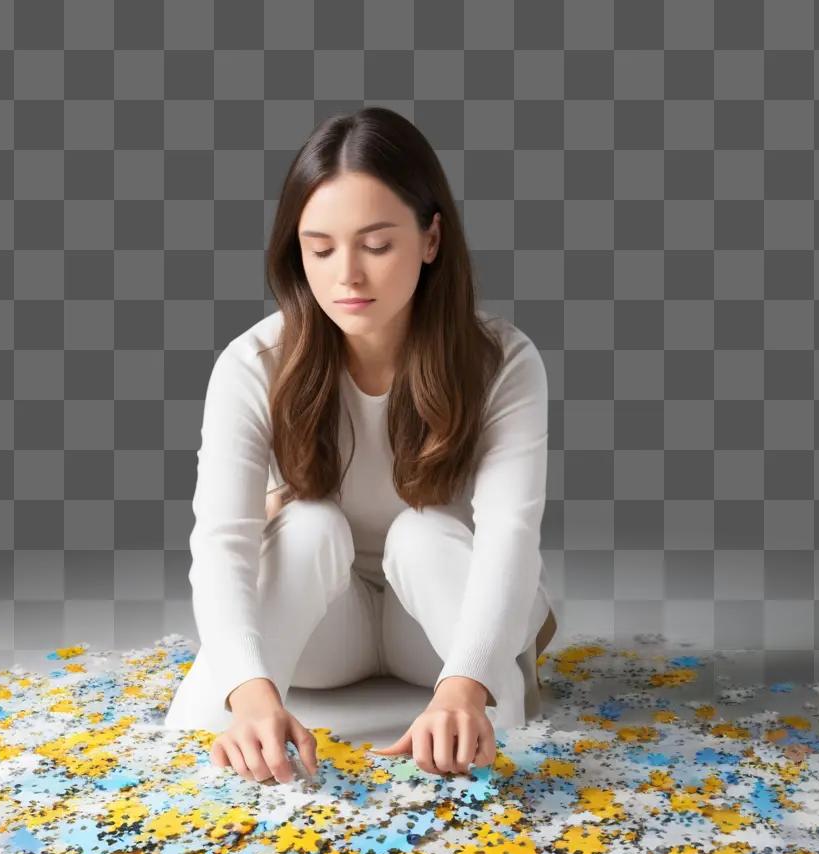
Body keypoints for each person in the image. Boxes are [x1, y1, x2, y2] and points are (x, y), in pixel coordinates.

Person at [163, 106, 556, 785]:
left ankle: (483, 698)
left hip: (438, 629)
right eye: (320, 249)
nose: (346, 275)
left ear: (431, 239)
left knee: (423, 533)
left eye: (376, 246)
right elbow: (221, 541)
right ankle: (249, 719)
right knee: (308, 526)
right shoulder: (253, 363)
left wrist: (464, 685)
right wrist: (252, 695)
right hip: (327, 627)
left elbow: (508, 538)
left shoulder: (501, 360)